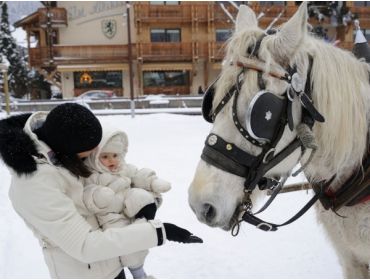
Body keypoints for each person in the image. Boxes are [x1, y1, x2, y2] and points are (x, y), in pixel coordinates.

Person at [0, 103, 202, 279]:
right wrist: (159, 232)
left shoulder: (58, 153)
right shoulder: (35, 185)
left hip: (111, 263)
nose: (90, 160)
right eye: (85, 156)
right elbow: (85, 245)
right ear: (69, 150)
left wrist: (135, 200)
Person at [83, 124, 171, 279]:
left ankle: (144, 221)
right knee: (128, 247)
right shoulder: (92, 176)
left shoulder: (123, 168)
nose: (112, 160)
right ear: (95, 158)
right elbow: (88, 195)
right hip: (111, 217)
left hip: (131, 210)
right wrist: (100, 195)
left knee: (140, 196)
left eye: (115, 155)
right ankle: (139, 274)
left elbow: (138, 174)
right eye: (105, 156)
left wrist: (152, 182)